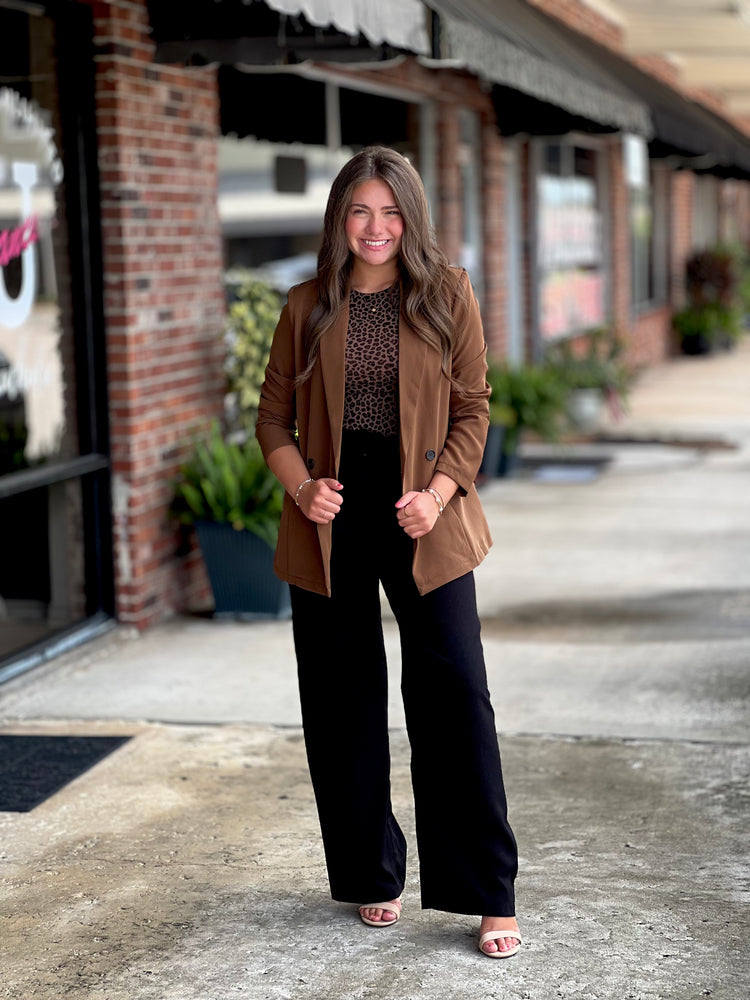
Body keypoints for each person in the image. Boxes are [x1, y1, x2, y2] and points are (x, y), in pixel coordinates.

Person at [255, 145, 521, 959]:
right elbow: (272, 420)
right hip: (332, 511)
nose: (376, 228)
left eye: (391, 211)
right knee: (342, 704)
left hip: (423, 512)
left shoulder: (447, 294)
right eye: (361, 211)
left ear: (411, 218)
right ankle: (374, 870)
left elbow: (474, 410)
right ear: (340, 217)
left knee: (455, 696)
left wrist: (438, 494)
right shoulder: (307, 304)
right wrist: (304, 488)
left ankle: (487, 892)